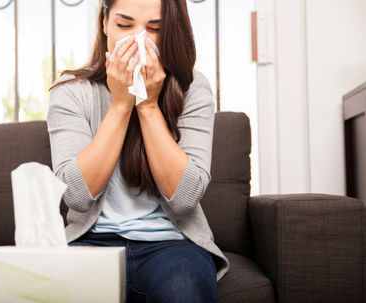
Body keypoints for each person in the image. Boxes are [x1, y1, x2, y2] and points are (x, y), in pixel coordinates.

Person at [46, 0, 230, 302]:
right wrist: (120, 104)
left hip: (172, 245)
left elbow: (185, 199)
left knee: (182, 291)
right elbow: (77, 197)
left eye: (154, 29)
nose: (138, 40)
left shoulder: (193, 87)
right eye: (124, 25)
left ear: (171, 31)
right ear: (105, 23)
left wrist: (146, 103)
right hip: (92, 242)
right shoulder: (71, 91)